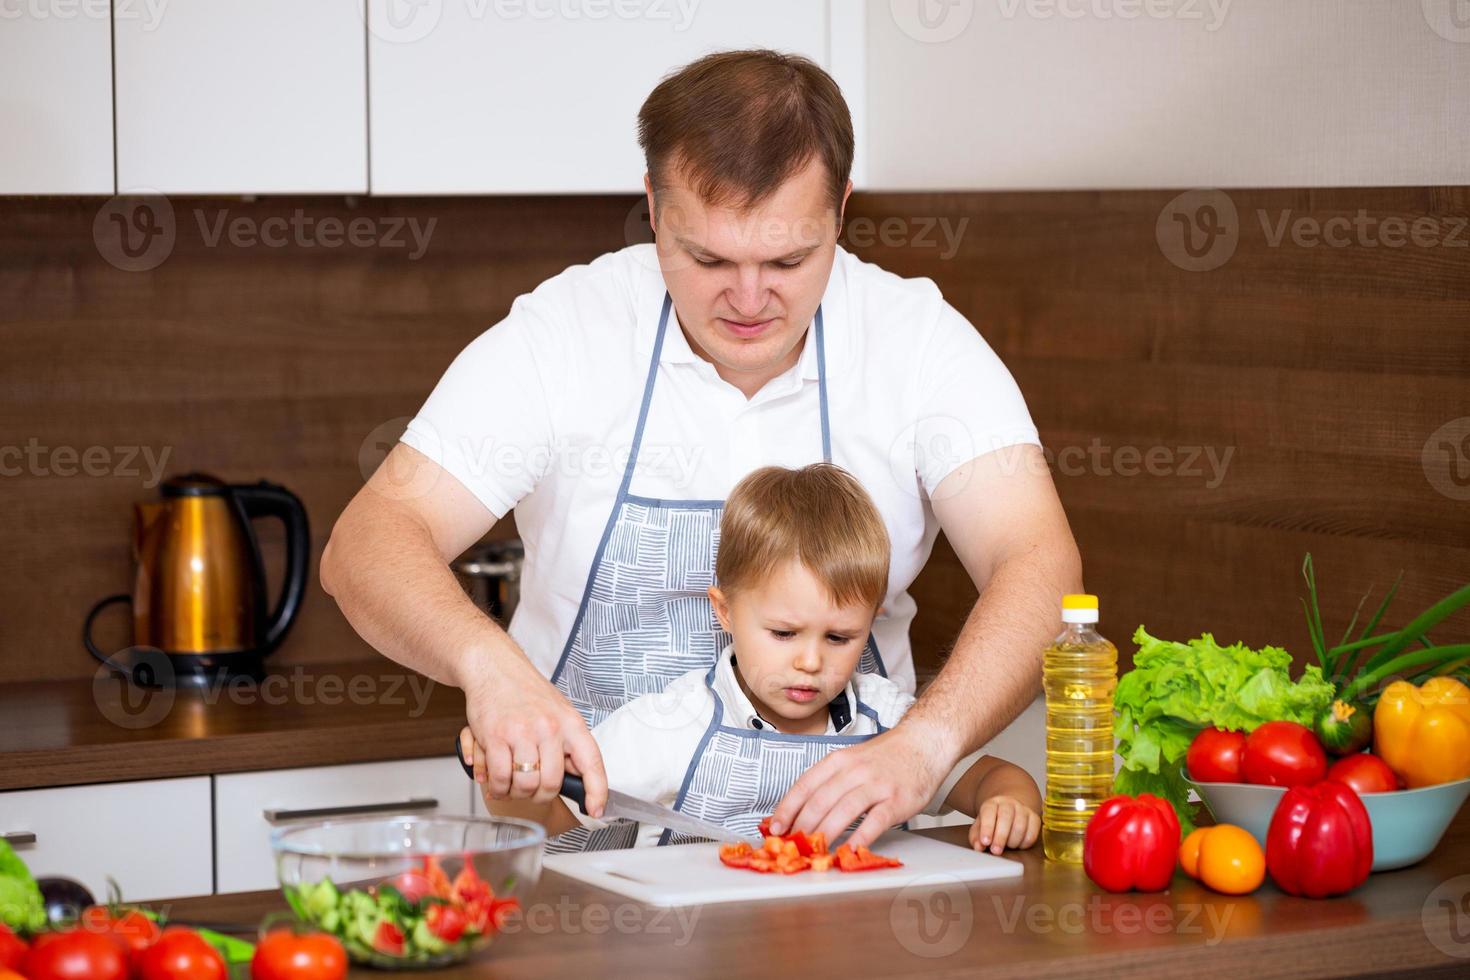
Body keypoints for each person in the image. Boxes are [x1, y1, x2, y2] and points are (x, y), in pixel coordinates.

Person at [321, 49, 1080, 849]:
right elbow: (368, 542)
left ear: (842, 209)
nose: (749, 300)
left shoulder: (917, 342)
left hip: (839, 865)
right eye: (709, 258)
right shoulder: (564, 333)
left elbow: (1039, 562)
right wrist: (490, 667)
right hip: (578, 855)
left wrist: (925, 748)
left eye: (788, 260)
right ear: (653, 209)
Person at [460, 464, 1042, 854]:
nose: (811, 662)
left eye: (840, 638)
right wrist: (510, 781)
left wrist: (1009, 803)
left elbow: (993, 776)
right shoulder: (669, 724)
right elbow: (556, 827)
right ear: (726, 612)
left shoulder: (886, 719)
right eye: (784, 633)